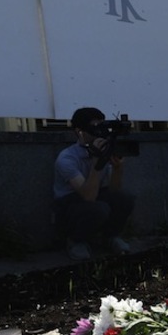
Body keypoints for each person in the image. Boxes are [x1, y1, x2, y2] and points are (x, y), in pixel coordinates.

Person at [53, 107, 135, 260]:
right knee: (98, 208)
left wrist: (118, 168)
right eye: (96, 128)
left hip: (94, 196)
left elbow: (115, 190)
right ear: (80, 132)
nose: (101, 133)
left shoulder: (104, 149)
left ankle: (110, 237)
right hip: (70, 205)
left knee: (125, 198)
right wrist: (97, 162)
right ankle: (75, 241)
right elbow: (88, 196)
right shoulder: (67, 158)